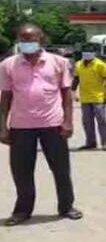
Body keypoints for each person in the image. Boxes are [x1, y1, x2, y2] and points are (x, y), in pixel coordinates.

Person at [0, 24, 83, 226]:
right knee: (21, 171)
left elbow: (66, 95)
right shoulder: (7, 65)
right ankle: (22, 211)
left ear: (41, 39)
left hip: (53, 124)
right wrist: (3, 126)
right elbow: (5, 97)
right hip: (21, 126)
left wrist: (68, 121)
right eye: (23, 39)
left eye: (31, 39)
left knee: (61, 169)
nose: (27, 43)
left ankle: (66, 206)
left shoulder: (59, 62)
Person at [72, 43, 106, 151]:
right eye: (85, 52)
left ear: (94, 53)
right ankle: (91, 142)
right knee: (87, 121)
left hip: (98, 97)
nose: (87, 54)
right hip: (85, 97)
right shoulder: (78, 64)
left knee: (101, 120)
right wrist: (73, 92)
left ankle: (105, 142)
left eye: (90, 52)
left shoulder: (100, 64)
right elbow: (76, 79)